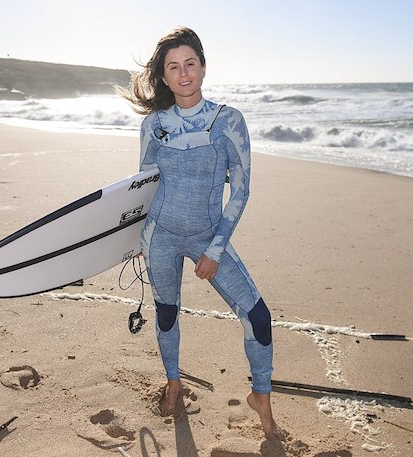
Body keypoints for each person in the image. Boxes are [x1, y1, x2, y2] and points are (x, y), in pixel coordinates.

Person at [118, 27, 279, 439]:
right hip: (161, 236)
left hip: (209, 236)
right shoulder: (154, 125)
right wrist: (136, 239)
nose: (184, 73)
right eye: (174, 67)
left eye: (191, 63)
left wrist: (215, 250)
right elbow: (144, 183)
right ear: (165, 76)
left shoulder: (229, 121)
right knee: (167, 313)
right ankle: (174, 381)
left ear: (203, 68)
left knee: (258, 317)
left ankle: (261, 395)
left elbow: (241, 191)